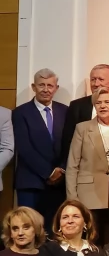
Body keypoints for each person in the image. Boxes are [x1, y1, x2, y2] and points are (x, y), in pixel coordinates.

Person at [66, 87, 109, 245]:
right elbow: (72, 166)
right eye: (98, 103)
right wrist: (72, 199)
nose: (102, 106)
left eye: (107, 102)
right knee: (90, 242)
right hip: (87, 196)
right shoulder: (82, 128)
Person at [13, 68, 69, 224]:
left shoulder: (65, 111)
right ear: (33, 87)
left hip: (59, 184)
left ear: (56, 88)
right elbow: (24, 148)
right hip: (31, 183)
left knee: (54, 231)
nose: (46, 89)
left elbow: (70, 144)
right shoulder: (20, 112)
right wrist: (49, 172)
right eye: (41, 85)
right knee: (29, 228)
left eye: (50, 86)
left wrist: (61, 170)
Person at [62, 64, 109, 161]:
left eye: (101, 79)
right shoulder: (76, 106)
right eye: (93, 79)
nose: (96, 84)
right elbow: (68, 141)